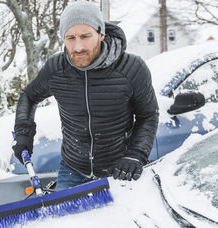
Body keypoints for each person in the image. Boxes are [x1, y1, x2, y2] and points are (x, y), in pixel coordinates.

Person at [12, 1, 159, 190]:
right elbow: (29, 96)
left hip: (118, 170)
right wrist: (24, 132)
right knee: (64, 219)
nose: (78, 46)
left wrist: (136, 154)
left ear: (101, 34)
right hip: (72, 168)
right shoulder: (56, 69)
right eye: (70, 38)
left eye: (85, 36)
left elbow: (148, 114)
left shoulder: (131, 68)